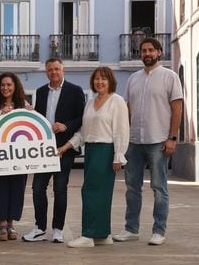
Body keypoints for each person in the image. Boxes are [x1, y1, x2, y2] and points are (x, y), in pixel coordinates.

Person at [113, 38, 183, 246]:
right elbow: (126, 110)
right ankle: (131, 229)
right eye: (143, 50)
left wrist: (172, 138)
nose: (147, 53)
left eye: (151, 50)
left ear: (159, 52)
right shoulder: (133, 79)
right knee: (132, 188)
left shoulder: (170, 77)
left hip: (158, 141)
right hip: (134, 142)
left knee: (159, 188)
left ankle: (158, 231)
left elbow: (177, 109)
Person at [58, 67, 129, 248]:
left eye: (104, 79)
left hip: (106, 151)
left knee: (93, 193)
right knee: (98, 193)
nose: (100, 82)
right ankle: (103, 235)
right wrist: (65, 148)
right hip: (90, 151)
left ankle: (88, 235)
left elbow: (122, 130)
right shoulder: (90, 103)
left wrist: (118, 156)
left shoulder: (117, 101)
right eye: (96, 79)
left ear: (110, 81)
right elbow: (83, 133)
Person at [22, 57, 85, 243]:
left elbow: (82, 118)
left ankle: (58, 229)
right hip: (43, 149)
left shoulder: (75, 91)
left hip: (64, 148)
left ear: (63, 70)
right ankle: (40, 228)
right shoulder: (40, 92)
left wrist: (66, 126)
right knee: (37, 188)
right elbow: (38, 119)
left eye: (57, 69)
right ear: (46, 72)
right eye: (50, 70)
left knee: (60, 189)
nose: (54, 72)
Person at [0, 72, 29, 241]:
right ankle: (2, 224)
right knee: (0, 187)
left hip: (19, 156)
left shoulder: (23, 104)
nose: (6, 88)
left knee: (17, 188)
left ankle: (11, 224)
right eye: (3, 85)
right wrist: (2, 115)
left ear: (15, 86)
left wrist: (30, 113)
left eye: (9, 85)